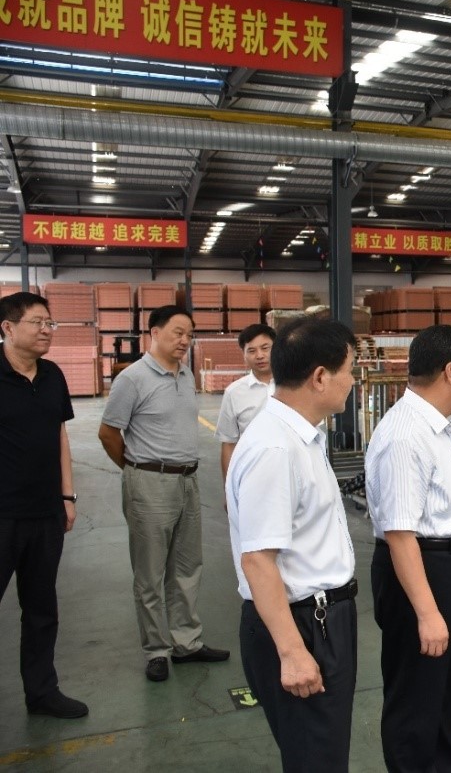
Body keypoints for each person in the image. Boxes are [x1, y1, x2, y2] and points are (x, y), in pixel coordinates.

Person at [226, 317, 358, 771]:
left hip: (317, 619)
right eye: (349, 370)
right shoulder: (275, 448)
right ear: (320, 376)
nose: (353, 381)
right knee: (315, 759)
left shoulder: (300, 435)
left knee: (322, 754)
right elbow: (258, 560)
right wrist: (293, 652)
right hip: (300, 625)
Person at [364, 325, 451, 773]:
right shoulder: (406, 434)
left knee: (446, 693)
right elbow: (399, 534)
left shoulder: (439, 425)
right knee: (416, 698)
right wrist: (428, 613)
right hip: (422, 571)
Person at [98, 305, 229, 682]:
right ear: (154, 332)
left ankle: (186, 642)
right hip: (149, 482)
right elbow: (108, 433)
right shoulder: (133, 378)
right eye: (177, 332)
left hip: (188, 481)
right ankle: (156, 650)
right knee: (150, 572)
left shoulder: (185, 374)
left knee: (187, 567)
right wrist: (135, 470)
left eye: (189, 334)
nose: (185, 340)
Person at [0, 292, 88, 719]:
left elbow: (60, 435)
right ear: (7, 327)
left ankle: (41, 692)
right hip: (2, 515)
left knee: (41, 609)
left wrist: (67, 496)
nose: (47, 330)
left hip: (45, 513)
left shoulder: (52, 375)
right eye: (37, 322)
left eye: (50, 323)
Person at [216, 323, 277, 478]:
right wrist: (228, 486)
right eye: (251, 350)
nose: (259, 355)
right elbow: (229, 443)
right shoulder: (234, 393)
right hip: (252, 475)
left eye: (265, 348)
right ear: (244, 355)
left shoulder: (295, 384)